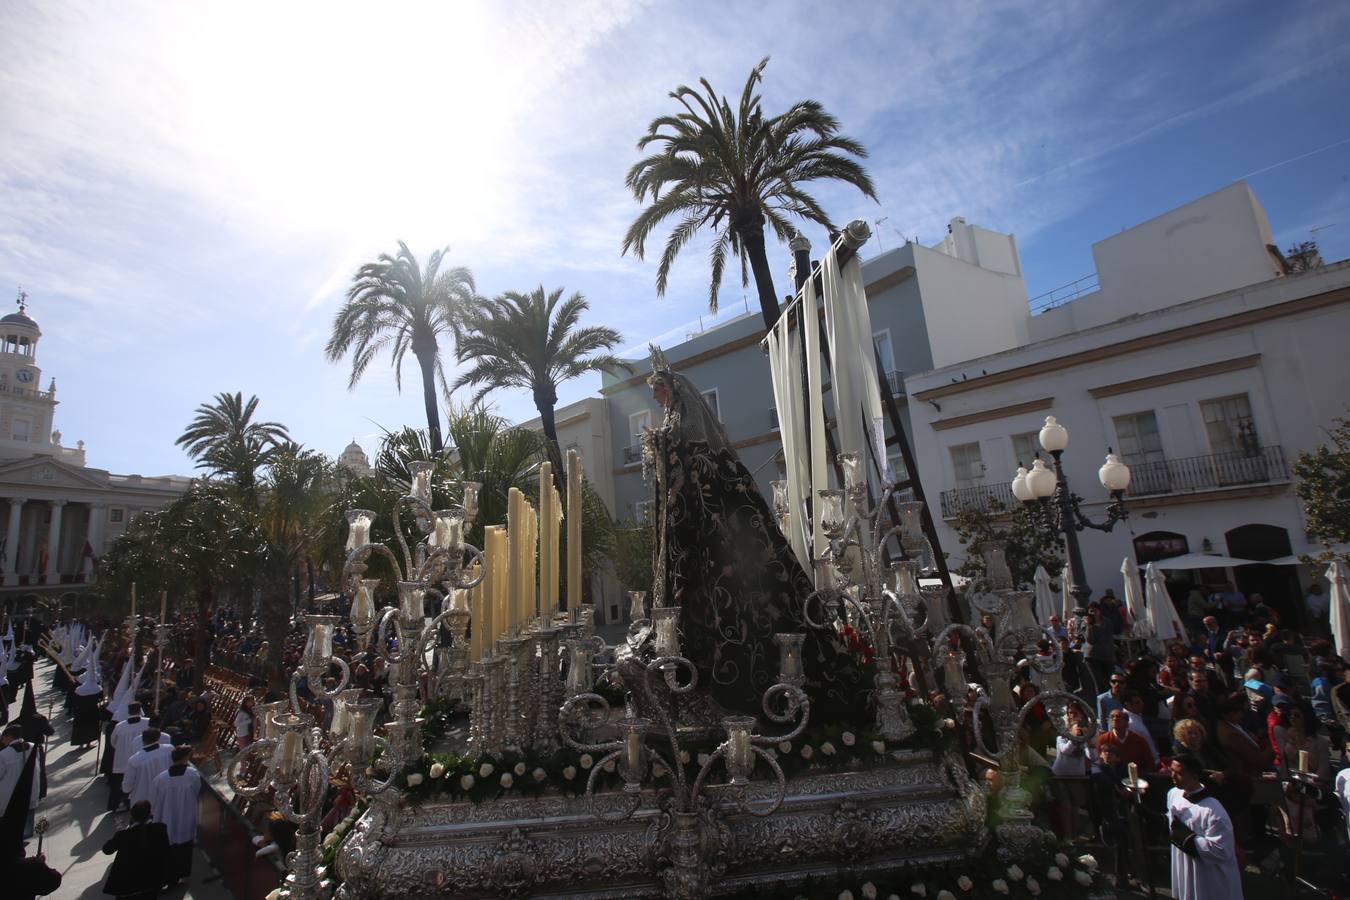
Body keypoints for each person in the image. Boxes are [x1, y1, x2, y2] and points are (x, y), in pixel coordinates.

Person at [640, 347, 867, 717]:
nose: (656, 397)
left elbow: (691, 465)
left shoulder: (691, 435)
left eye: (659, 391)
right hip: (690, 530)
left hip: (714, 532)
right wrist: (660, 448)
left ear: (674, 390)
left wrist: (663, 446)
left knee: (733, 603)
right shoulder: (672, 423)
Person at [1167, 753, 1243, 900]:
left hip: (1210, 878)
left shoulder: (1214, 811)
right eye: (1172, 771)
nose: (1173, 776)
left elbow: (1221, 850)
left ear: (1195, 777)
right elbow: (1170, 822)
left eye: (1180, 773)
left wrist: (1187, 839)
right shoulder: (1174, 794)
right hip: (1185, 867)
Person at [149, 745, 200, 886]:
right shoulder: (192, 775)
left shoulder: (161, 778)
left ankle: (168, 876)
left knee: (169, 847)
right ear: (185, 758)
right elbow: (197, 791)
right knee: (184, 848)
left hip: (166, 816)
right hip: (186, 815)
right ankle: (180, 874)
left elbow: (153, 800)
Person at [101, 800, 169, 899]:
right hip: (151, 881)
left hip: (127, 885)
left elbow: (107, 850)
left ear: (132, 816)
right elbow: (165, 851)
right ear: (150, 814)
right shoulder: (160, 829)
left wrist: (119, 832)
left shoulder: (123, 835)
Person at [0, 723, 40, 854]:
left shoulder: (4, 755)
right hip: (30, 791)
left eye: (3, 738)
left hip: (10, 796)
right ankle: (22, 842)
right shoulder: (34, 747)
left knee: (10, 825)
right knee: (26, 823)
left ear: (8, 737)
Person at [109, 702, 149, 812]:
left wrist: (121, 749)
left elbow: (113, 742)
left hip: (121, 759)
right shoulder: (147, 723)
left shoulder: (120, 726)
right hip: (141, 758)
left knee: (120, 783)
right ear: (140, 710)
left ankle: (117, 804)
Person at [122, 729, 174, 810]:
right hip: (163, 798)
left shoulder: (134, 760)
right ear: (158, 737)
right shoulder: (169, 750)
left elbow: (127, 786)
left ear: (143, 740)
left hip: (142, 802)